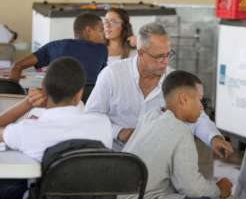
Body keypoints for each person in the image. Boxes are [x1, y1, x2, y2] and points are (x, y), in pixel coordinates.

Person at [85, 22, 233, 157]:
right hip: (116, 155)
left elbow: (196, 116)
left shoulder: (173, 80)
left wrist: (214, 137)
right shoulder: (113, 74)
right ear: (141, 53)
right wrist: (119, 132)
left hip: (158, 158)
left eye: (168, 55)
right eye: (159, 56)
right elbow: (92, 116)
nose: (165, 62)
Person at [0, 57, 112, 199]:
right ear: (79, 93)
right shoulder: (103, 124)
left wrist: (27, 103)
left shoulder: (29, 130)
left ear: (43, 88)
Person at [122, 70, 232, 199]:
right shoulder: (181, 132)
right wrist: (219, 189)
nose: (201, 107)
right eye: (199, 100)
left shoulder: (150, 117)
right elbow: (192, 188)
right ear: (184, 99)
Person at [9, 13, 107, 84]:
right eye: (101, 30)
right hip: (87, 103)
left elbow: (17, 66)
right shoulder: (102, 50)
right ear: (88, 30)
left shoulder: (54, 46)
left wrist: (14, 88)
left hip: (57, 101)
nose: (104, 34)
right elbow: (103, 79)